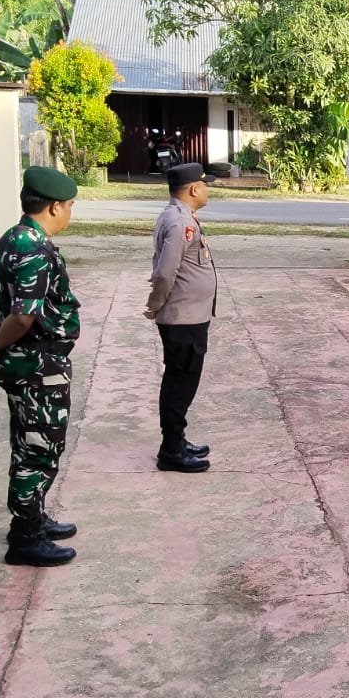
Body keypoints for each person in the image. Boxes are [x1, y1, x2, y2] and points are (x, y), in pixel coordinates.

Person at [0, 166, 82, 568]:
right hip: (37, 365)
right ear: (54, 207)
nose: (69, 213)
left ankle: (32, 518)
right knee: (40, 449)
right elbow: (23, 315)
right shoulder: (35, 249)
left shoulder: (9, 240)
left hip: (24, 361)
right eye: (69, 206)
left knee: (26, 443)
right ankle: (26, 538)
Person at [146, 161, 216, 475]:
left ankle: (177, 440)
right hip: (182, 317)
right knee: (180, 383)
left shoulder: (180, 216)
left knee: (183, 381)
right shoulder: (179, 222)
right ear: (194, 189)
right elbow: (165, 273)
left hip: (190, 315)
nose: (208, 190)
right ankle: (171, 450)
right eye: (205, 185)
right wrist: (155, 303)